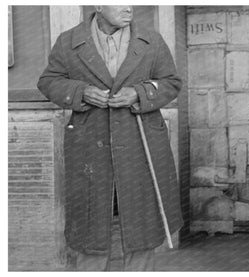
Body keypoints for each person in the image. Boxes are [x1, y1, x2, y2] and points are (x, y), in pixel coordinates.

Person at [37, 6, 183, 271]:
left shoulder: (152, 40)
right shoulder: (68, 41)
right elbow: (48, 81)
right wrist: (81, 92)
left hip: (141, 145)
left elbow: (171, 82)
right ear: (98, 6)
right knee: (91, 225)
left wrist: (139, 93)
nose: (129, 7)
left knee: (142, 223)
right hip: (90, 148)